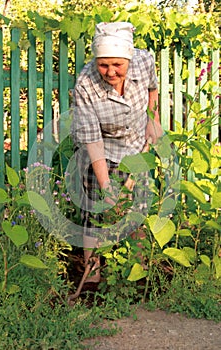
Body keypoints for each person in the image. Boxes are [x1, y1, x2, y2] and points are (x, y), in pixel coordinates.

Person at [71, 22, 163, 283]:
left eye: (117, 65)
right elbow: (93, 140)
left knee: (137, 209)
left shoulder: (144, 61)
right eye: (103, 65)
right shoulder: (85, 85)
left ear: (129, 59)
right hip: (100, 149)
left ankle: (136, 275)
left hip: (136, 146)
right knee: (94, 211)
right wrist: (107, 186)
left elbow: (152, 90)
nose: (110, 72)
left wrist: (152, 118)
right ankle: (92, 277)